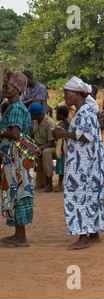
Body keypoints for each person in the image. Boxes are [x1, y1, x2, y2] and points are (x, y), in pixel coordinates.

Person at [52, 76, 104, 250]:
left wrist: (64, 134)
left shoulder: (84, 111)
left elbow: (88, 136)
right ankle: (94, 233)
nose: (65, 97)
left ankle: (83, 236)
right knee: (92, 195)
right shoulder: (86, 111)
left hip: (83, 164)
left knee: (79, 196)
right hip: (89, 163)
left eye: (67, 93)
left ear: (76, 94)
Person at [0, 72, 38, 247]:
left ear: (16, 88)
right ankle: (17, 234)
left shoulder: (15, 108)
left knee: (18, 192)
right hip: (17, 157)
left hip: (17, 157)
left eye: (6, 85)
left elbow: (14, 134)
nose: (3, 87)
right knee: (17, 191)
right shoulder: (16, 107)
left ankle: (21, 238)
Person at [29, 102, 57, 193]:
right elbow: (35, 134)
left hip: (51, 147)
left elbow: (51, 143)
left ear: (36, 114)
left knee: (46, 152)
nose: (30, 116)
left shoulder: (49, 123)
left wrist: (38, 149)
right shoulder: (36, 120)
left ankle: (49, 184)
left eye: (31, 114)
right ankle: (28, 180)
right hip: (39, 145)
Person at [53, 105, 70, 193]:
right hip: (62, 150)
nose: (56, 116)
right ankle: (60, 184)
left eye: (57, 114)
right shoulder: (60, 124)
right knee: (60, 165)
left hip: (68, 149)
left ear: (61, 116)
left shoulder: (69, 124)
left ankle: (65, 184)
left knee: (67, 167)